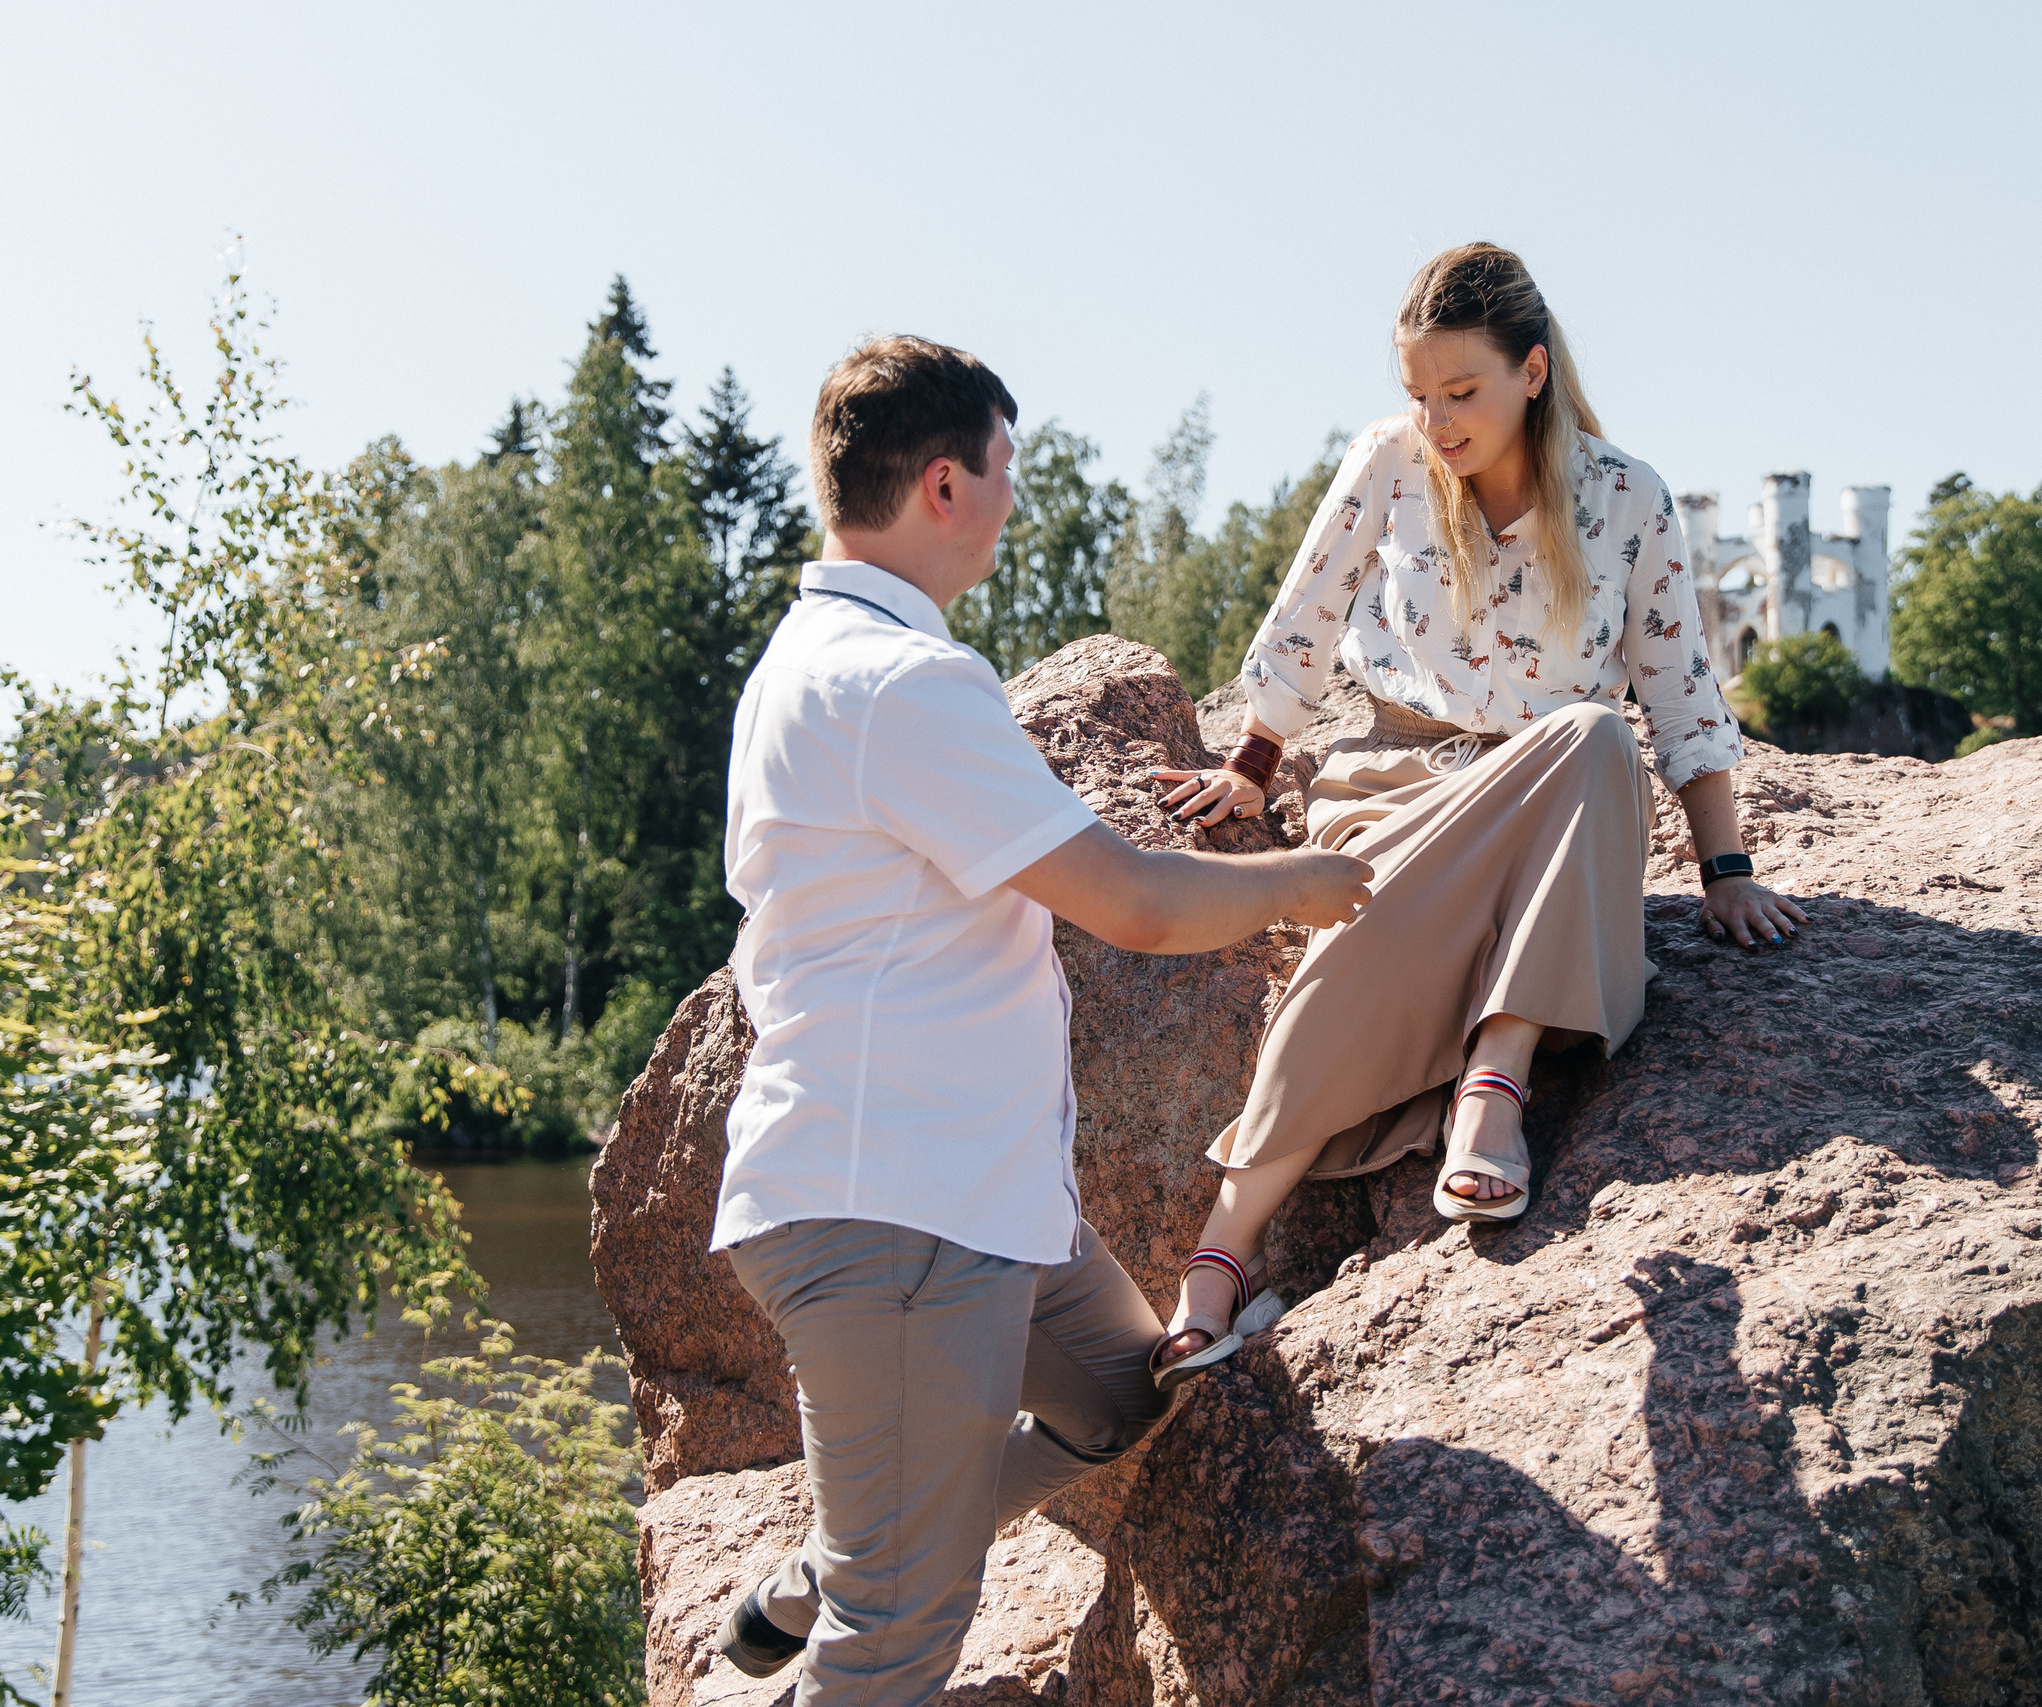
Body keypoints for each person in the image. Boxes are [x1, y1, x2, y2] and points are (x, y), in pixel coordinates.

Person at [711, 335, 1372, 1705]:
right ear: (944, 484)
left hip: (971, 1195)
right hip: (892, 1205)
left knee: (1120, 1390)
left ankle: (836, 1557)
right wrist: (1301, 886)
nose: (1017, 500)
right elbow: (1125, 897)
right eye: (1007, 472)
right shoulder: (902, 683)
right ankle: (862, 1568)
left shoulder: (811, 658)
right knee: (899, 1639)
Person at [1145, 243, 1806, 1387]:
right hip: (1397, 782)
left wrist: (1726, 866)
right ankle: (1226, 1252)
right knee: (1359, 930)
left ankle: (1493, 1084)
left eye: (1463, 392)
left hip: (1558, 801)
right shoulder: (1389, 465)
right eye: (1419, 394)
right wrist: (1255, 759)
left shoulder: (1627, 500)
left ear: (1533, 371)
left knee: (1596, 737)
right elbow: (1306, 615)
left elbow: (1678, 692)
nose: (1437, 420)